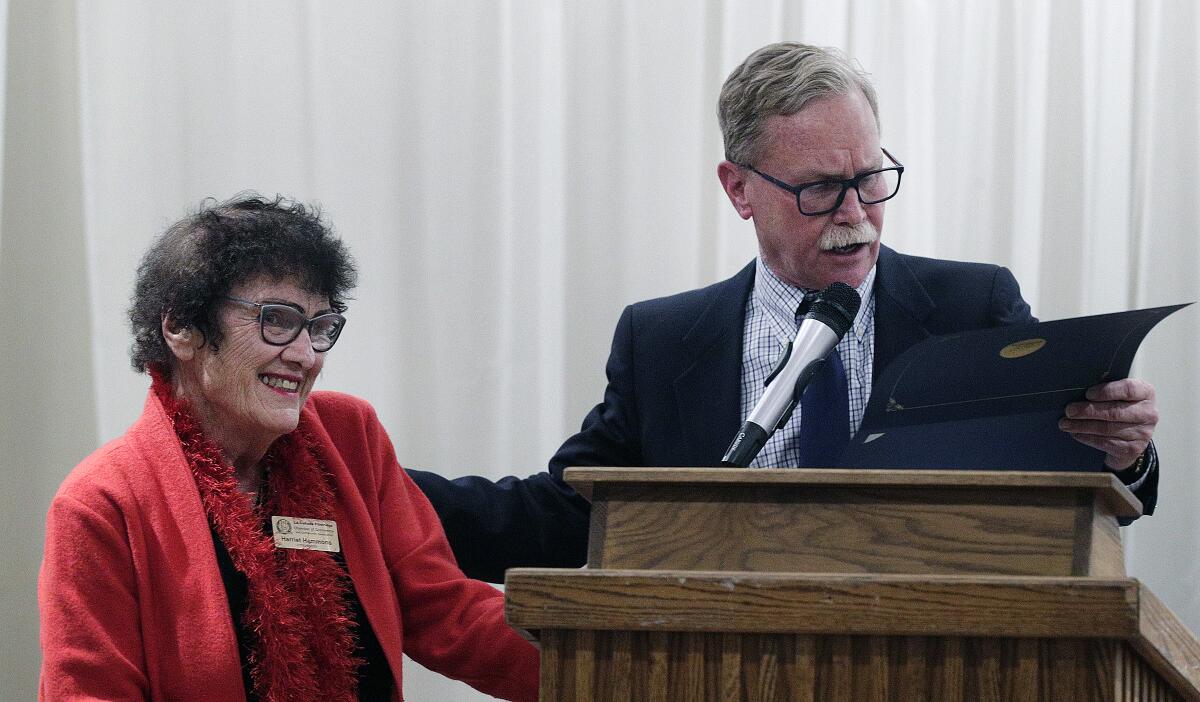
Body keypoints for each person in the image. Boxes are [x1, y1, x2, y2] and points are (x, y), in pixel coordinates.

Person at [408, 41, 1161, 584]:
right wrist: (372, 486)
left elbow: (1064, 487)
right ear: (739, 188)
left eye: (870, 179)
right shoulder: (664, 341)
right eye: (819, 189)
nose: (856, 215)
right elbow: (572, 518)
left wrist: (1124, 451)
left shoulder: (974, 306)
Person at [39, 195, 539, 701]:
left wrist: (600, 659)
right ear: (181, 328)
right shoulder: (101, 504)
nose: (305, 356)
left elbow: (447, 613)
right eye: (276, 320)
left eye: (319, 327)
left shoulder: (351, 436)